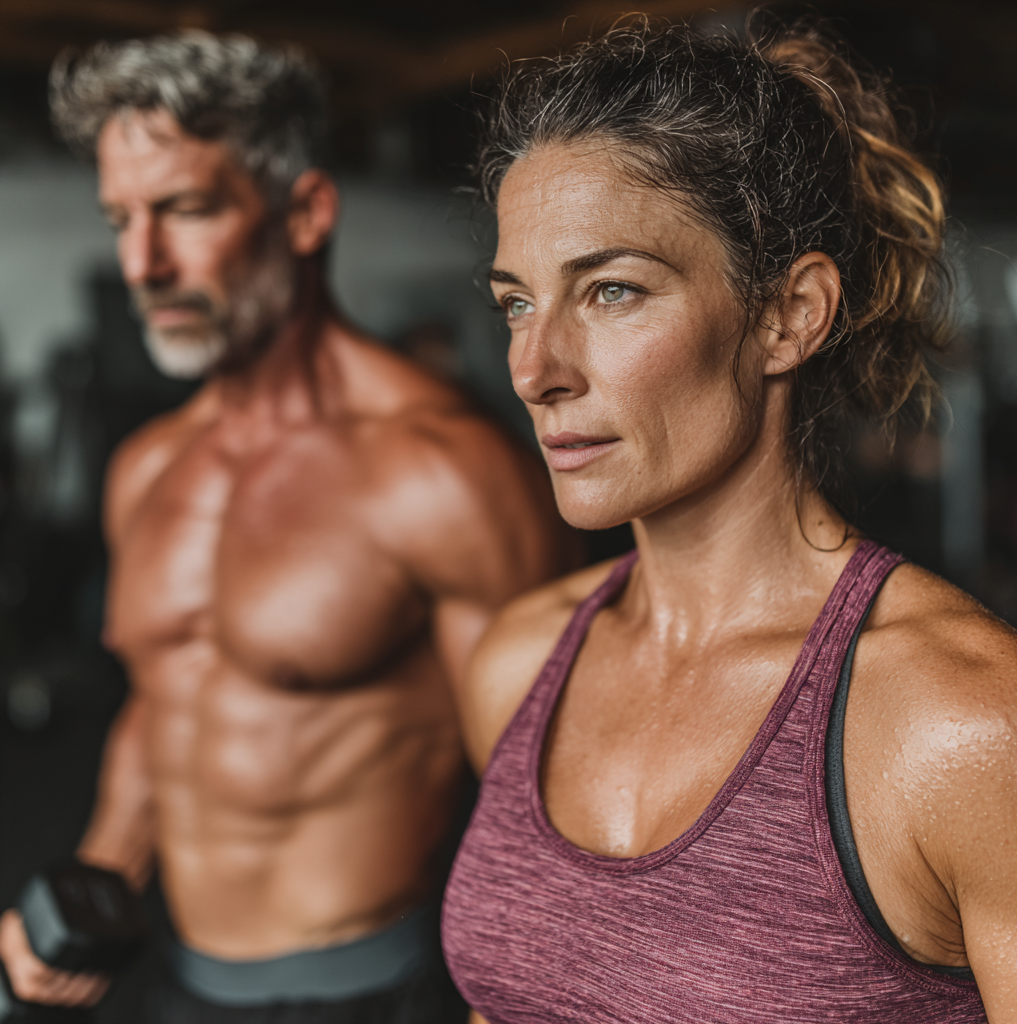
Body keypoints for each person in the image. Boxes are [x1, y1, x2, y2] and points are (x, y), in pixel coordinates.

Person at [440, 17, 1017, 1024]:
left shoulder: (960, 725)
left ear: (787, 314)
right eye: (516, 304)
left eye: (611, 291)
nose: (535, 371)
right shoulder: (519, 663)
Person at [0, 32, 573, 1023]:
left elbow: (540, 792)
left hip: (371, 992)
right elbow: (159, 699)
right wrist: (101, 871)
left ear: (305, 212)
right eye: (122, 219)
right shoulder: (146, 470)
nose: (142, 263)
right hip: (175, 981)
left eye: (186, 210)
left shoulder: (442, 470)